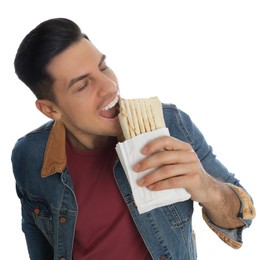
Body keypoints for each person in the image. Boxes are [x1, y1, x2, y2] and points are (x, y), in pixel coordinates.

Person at [12, 18, 255, 260]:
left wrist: (205, 186)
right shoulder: (30, 155)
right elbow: (37, 238)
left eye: (103, 66)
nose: (109, 86)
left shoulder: (171, 125)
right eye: (84, 85)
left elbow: (239, 218)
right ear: (50, 109)